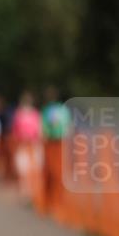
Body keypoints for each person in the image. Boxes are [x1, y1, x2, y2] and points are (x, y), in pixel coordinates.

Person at [40, 86, 71, 216]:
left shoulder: (54, 110)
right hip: (53, 143)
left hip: (56, 143)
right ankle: (51, 202)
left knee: (56, 174)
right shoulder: (57, 109)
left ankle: (56, 202)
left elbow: (61, 126)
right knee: (52, 173)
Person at [11, 91, 42, 199]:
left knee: (34, 168)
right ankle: (25, 191)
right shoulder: (18, 114)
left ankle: (34, 191)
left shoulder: (35, 114)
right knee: (23, 168)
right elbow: (15, 130)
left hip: (33, 145)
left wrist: (37, 140)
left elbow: (39, 129)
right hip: (22, 145)